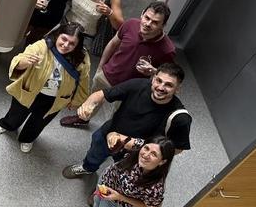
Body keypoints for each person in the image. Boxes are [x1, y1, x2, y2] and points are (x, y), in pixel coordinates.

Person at [63, 62, 192, 179]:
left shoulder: (180, 117)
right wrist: (88, 104)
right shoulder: (137, 85)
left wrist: (130, 143)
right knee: (95, 154)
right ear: (153, 78)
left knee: (122, 174)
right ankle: (88, 168)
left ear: (177, 89)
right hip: (108, 134)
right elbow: (103, 94)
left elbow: (177, 149)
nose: (161, 87)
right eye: (158, 80)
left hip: (137, 153)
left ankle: (106, 186)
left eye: (169, 85)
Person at [61, 1, 176, 127]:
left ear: (163, 25)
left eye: (155, 22)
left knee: (119, 115)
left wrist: (153, 71)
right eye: (147, 18)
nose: (148, 24)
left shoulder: (167, 49)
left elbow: (167, 75)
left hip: (130, 88)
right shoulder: (130, 24)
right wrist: (100, 67)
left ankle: (111, 132)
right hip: (108, 74)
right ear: (142, 14)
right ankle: (82, 118)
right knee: (92, 100)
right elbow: (113, 43)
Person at [0, 23, 91, 152]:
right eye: (64, 39)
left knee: (39, 121)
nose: (66, 45)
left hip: (54, 98)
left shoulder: (81, 59)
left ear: (77, 45)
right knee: (17, 111)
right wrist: (24, 63)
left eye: (72, 43)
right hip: (30, 89)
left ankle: (27, 138)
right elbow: (18, 60)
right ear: (58, 35)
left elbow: (84, 81)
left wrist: (76, 101)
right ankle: (8, 125)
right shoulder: (42, 46)